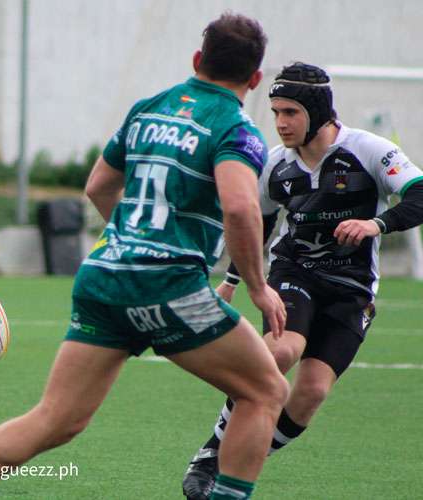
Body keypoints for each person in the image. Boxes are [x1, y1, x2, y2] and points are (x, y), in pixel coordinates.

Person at [0, 13, 288, 500]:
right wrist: (257, 286)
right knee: (267, 391)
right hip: (168, 285)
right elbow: (239, 206)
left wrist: (130, 242)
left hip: (104, 276)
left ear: (197, 60)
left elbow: (98, 186)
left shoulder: (148, 108)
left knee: (58, 417)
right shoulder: (236, 129)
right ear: (255, 80)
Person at [181, 62, 423, 499]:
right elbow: (256, 226)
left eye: (290, 112)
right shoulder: (274, 165)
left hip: (353, 288)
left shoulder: (369, 150)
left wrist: (376, 224)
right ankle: (213, 455)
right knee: (280, 353)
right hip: (294, 273)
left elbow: (421, 194)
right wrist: (234, 281)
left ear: (317, 112)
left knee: (310, 393)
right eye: (275, 112)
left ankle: (239, 456)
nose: (280, 123)